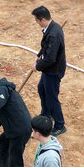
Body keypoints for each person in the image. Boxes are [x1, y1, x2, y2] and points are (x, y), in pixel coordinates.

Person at [32, 7, 66, 136]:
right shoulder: (51, 28)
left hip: (53, 70)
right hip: (48, 69)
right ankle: (46, 114)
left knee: (52, 98)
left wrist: (38, 66)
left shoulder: (54, 33)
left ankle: (60, 125)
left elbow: (51, 58)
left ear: (42, 19)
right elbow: (46, 46)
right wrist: (38, 55)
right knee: (41, 88)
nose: (37, 23)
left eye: (37, 20)